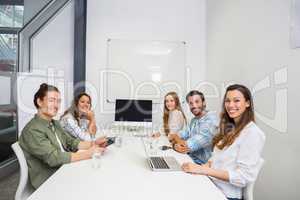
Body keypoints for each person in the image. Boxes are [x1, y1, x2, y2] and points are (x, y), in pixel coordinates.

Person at [182, 84, 266, 200]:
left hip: (225, 194)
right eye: (227, 101)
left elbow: (243, 178)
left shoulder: (253, 133)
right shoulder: (230, 128)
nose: (231, 105)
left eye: (236, 100)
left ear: (247, 103)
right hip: (211, 184)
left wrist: (203, 170)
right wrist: (201, 168)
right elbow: (215, 158)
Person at [19, 83, 107, 189]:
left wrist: (94, 143)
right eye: (52, 100)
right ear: (39, 102)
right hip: (50, 180)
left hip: (64, 168)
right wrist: (89, 153)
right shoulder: (32, 130)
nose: (56, 105)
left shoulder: (55, 123)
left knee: (99, 175)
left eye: (58, 101)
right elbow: (54, 158)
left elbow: (71, 143)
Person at [169, 90, 218, 164]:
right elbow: (177, 135)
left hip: (201, 165)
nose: (194, 106)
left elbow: (186, 147)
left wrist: (175, 143)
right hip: (189, 159)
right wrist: (176, 142)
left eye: (197, 101)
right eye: (191, 103)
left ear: (204, 102)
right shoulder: (194, 120)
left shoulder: (211, 121)